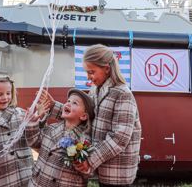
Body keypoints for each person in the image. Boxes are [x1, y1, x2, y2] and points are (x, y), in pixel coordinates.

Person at [42, 44, 141, 186]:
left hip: (117, 172)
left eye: (91, 72)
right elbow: (84, 115)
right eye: (87, 72)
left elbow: (120, 138)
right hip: (103, 167)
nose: (89, 77)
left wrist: (91, 160)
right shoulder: (95, 90)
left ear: (106, 68)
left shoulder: (122, 94)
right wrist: (54, 107)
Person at [25, 88, 95, 187]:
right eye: (68, 101)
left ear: (83, 116)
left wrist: (81, 164)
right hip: (37, 183)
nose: (68, 104)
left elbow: (87, 171)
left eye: (75, 103)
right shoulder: (52, 128)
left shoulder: (84, 141)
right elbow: (33, 142)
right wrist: (32, 122)